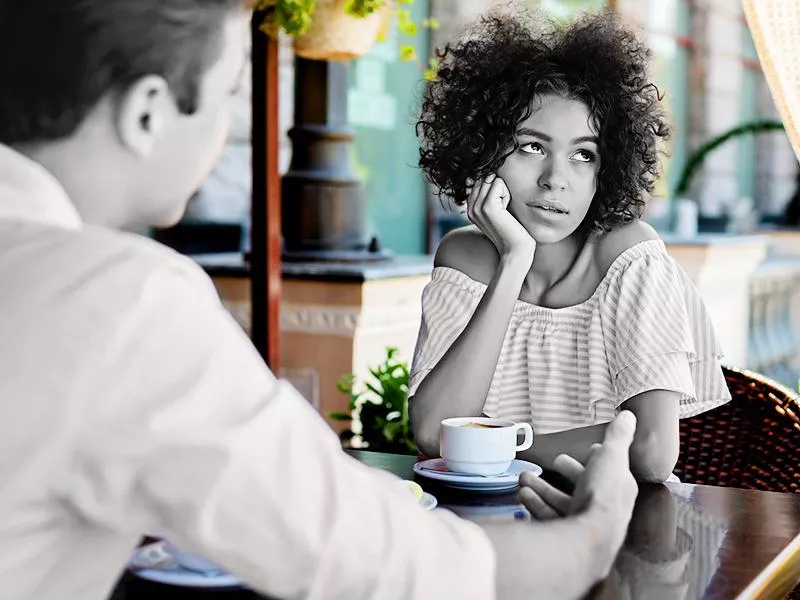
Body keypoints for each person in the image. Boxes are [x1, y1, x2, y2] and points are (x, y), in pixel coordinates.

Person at [0, 2, 640, 599]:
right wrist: (592, 536)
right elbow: (380, 560)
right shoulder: (119, 300)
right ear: (147, 113)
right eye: (229, 93)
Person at [410, 9, 731, 483]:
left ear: (607, 170)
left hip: (615, 527)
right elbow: (434, 435)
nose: (555, 180)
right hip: (489, 526)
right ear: (482, 147)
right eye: (531, 147)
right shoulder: (464, 259)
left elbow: (651, 449)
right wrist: (514, 262)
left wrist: (499, 447)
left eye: (584, 155)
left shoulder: (631, 258)